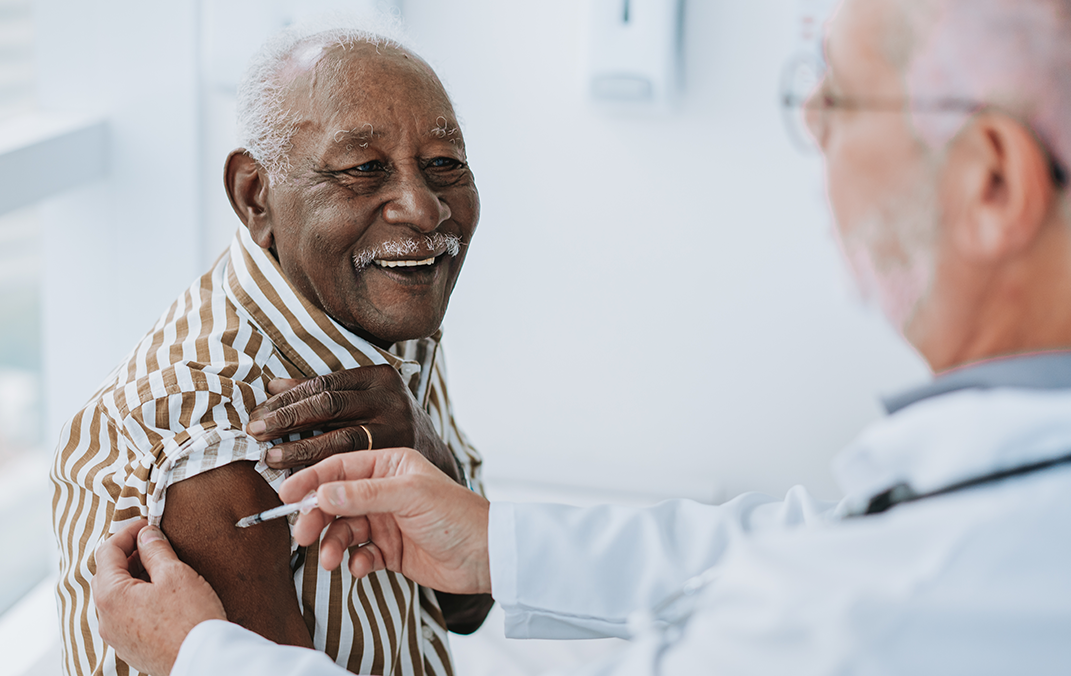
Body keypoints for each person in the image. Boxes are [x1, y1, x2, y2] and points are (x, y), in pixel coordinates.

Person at [92, 0, 1071, 673]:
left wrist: (202, 657)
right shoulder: (211, 396)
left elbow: (828, 584)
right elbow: (800, 538)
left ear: (993, 181)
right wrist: (486, 542)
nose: (813, 128)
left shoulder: (873, 618)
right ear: (254, 197)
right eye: (361, 168)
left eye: (836, 96)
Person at [51, 22, 492, 676]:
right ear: (255, 195)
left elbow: (469, 602)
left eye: (444, 164)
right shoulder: (209, 420)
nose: (423, 209)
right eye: (364, 168)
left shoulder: (386, 310)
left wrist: (426, 453)